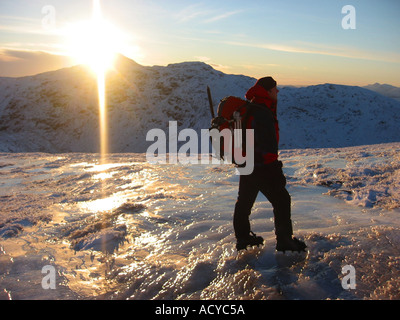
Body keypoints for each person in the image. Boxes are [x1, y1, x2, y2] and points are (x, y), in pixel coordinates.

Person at [233, 77, 307, 252]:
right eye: (275, 89)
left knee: (244, 203)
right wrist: (273, 166)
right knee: (282, 200)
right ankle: (284, 241)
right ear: (267, 92)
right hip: (262, 166)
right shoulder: (262, 111)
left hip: (247, 164)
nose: (278, 92)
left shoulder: (249, 107)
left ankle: (243, 238)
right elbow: (266, 145)